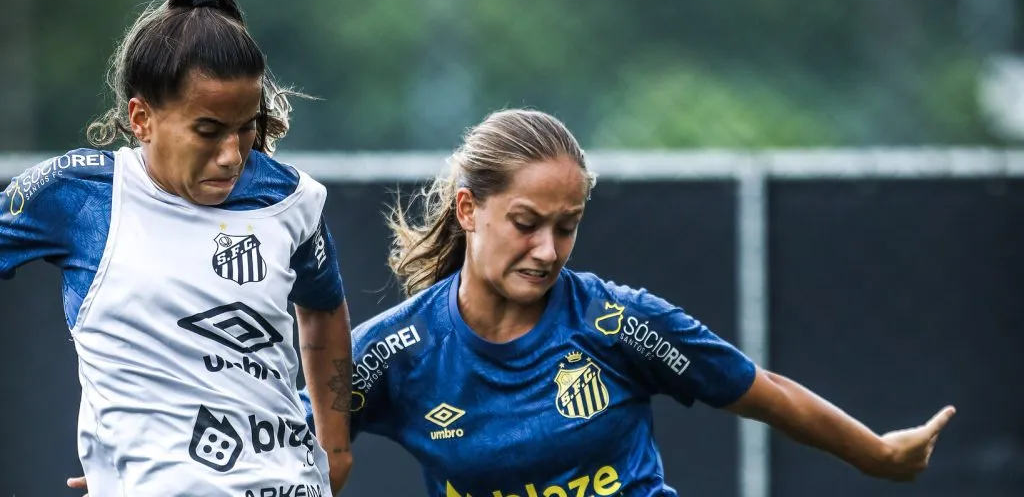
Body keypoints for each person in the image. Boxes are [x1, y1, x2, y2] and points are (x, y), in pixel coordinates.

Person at [70, 108, 955, 496]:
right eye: (527, 223)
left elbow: (760, 389)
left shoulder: (617, 323)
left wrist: (875, 455)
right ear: (470, 210)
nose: (548, 249)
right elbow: (292, 447)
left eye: (566, 227)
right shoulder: (395, 354)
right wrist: (163, 474)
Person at [2, 0, 352, 496]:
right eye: (208, 130)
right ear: (141, 118)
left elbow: (324, 312)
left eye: (246, 127)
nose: (232, 153)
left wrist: (337, 447)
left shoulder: (292, 199)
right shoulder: (79, 194)